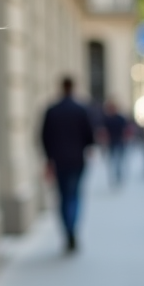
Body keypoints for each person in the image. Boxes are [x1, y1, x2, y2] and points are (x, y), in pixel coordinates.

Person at [41, 76, 96, 251]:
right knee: (75, 195)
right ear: (73, 87)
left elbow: (43, 137)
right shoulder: (81, 109)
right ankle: (72, 229)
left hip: (58, 161)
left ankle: (67, 231)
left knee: (63, 197)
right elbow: (90, 137)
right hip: (77, 160)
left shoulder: (52, 110)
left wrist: (49, 159)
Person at [99, 97, 130, 187]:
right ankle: (115, 177)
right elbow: (104, 132)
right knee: (113, 160)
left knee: (119, 160)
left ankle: (118, 176)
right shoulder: (107, 119)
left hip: (120, 141)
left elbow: (126, 130)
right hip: (112, 142)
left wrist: (126, 139)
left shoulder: (120, 118)